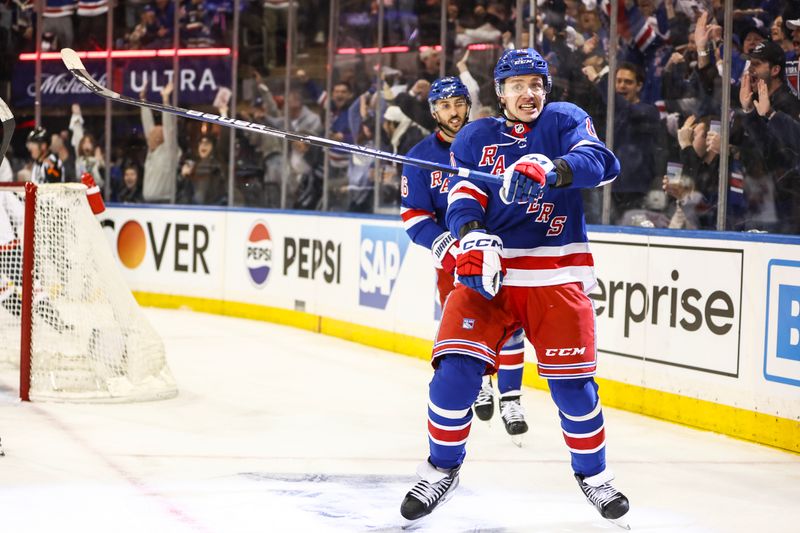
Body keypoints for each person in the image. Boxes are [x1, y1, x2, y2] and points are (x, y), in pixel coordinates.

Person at [399, 49, 629, 528]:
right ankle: (441, 467)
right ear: (499, 91)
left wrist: (551, 169)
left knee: (573, 389)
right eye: (519, 84)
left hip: (556, 275)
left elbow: (602, 163)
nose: (531, 93)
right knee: (454, 374)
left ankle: (594, 475)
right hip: (490, 274)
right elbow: (464, 195)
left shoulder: (565, 120)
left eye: (538, 83)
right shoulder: (477, 136)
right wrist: (469, 233)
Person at [400, 76, 529, 446]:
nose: (453, 112)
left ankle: (512, 399)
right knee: (468, 328)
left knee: (512, 325)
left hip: (501, 248)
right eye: (444, 106)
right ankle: (481, 385)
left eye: (458, 103)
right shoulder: (420, 157)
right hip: (456, 259)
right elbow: (414, 216)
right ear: (433, 111)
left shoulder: (492, 141)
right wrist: (444, 244)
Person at [141, 81, 179, 203]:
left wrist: (166, 100)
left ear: (160, 138)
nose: (150, 133)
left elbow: (169, 128)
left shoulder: (168, 151)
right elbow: (147, 123)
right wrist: (142, 100)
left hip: (164, 204)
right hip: (147, 204)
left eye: (154, 133)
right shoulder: (151, 151)